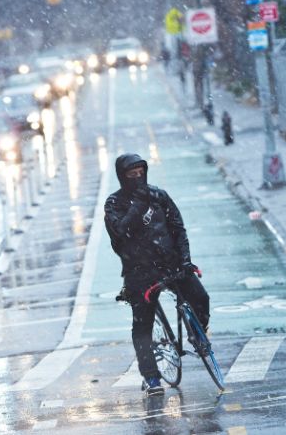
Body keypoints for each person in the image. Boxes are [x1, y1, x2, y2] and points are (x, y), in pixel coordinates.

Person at [104, 153, 210, 396]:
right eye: (132, 175)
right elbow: (119, 234)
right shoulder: (114, 204)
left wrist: (185, 259)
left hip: (171, 263)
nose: (138, 178)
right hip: (139, 272)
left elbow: (178, 227)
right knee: (142, 326)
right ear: (122, 177)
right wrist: (138, 207)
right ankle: (151, 377)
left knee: (200, 298)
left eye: (141, 173)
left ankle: (198, 334)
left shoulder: (159, 195)